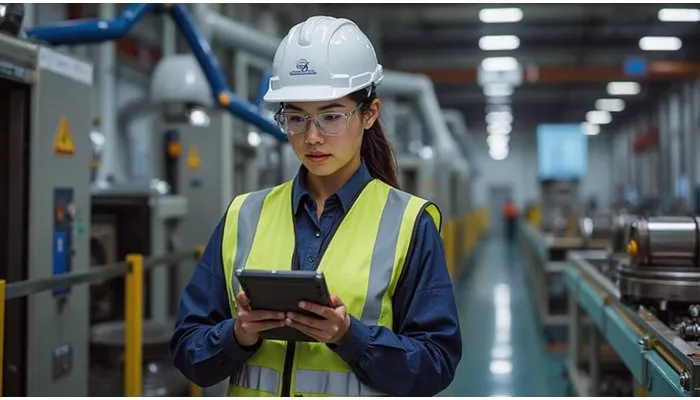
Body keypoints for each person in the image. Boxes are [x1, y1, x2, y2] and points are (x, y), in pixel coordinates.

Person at [169, 16, 462, 397]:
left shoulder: (410, 224)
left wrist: (350, 336)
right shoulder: (243, 216)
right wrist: (237, 334)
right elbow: (188, 350)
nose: (312, 137)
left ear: (369, 113)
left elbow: (435, 364)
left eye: (331, 116)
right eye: (296, 118)